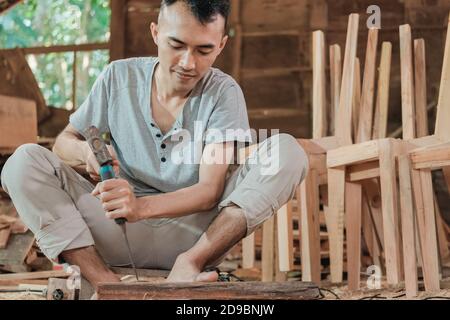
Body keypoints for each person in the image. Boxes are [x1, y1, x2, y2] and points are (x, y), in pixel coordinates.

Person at [1, 0, 309, 289]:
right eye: (176, 45)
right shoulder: (117, 78)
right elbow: (63, 142)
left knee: (287, 152)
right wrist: (86, 153)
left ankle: (189, 265)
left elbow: (209, 192)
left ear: (221, 46)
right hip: (115, 228)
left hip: (195, 235)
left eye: (204, 50)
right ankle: (104, 283)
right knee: (23, 162)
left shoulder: (223, 92)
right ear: (156, 33)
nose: (188, 63)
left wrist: (142, 207)